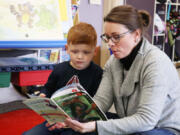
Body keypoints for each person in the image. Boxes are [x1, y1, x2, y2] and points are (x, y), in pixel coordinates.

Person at [51, 5, 180, 135]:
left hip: (161, 128)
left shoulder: (156, 62)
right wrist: (73, 118)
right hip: (130, 121)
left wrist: (94, 126)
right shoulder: (113, 62)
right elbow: (101, 101)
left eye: (116, 37)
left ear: (136, 35)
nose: (110, 44)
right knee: (72, 131)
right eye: (107, 37)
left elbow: (147, 119)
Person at [23, 22, 103, 135]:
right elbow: (48, 88)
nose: (80, 56)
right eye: (75, 51)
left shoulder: (97, 73)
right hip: (56, 121)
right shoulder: (59, 69)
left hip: (81, 125)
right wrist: (43, 95)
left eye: (86, 52)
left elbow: (98, 102)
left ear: (94, 51)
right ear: (67, 49)